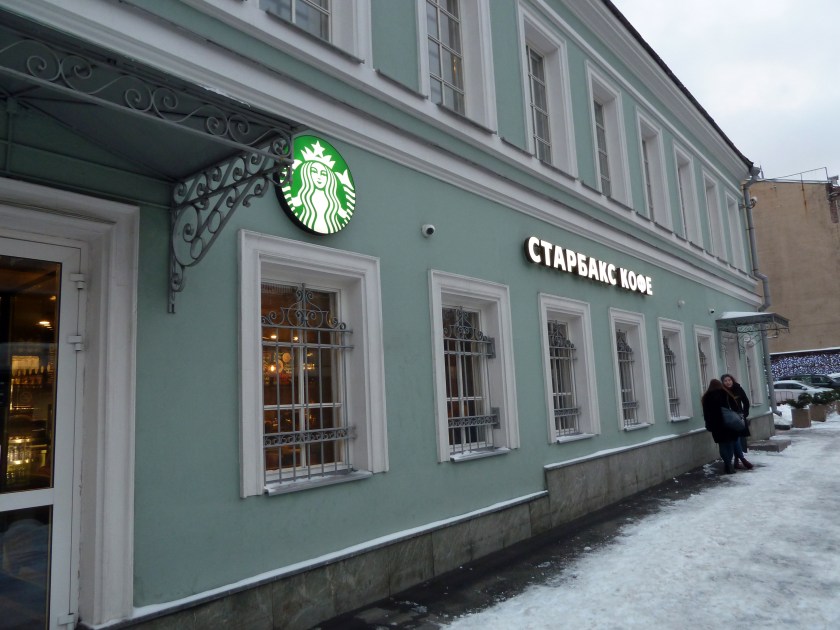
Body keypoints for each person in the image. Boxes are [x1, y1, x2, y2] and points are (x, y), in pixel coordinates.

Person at [701, 379, 742, 474]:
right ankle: (729, 465)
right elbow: (735, 408)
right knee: (730, 444)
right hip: (729, 423)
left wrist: (708, 424)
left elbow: (706, 414)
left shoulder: (706, 397)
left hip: (716, 426)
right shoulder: (726, 394)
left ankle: (727, 464)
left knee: (722, 445)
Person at [721, 373, 753, 470]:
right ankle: (741, 459)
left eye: (729, 380)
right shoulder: (722, 391)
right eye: (725, 381)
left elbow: (746, 401)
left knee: (737, 438)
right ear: (723, 382)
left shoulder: (738, 388)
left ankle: (737, 460)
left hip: (739, 417)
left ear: (732, 380)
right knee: (735, 438)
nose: (728, 382)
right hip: (729, 419)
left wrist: (745, 413)